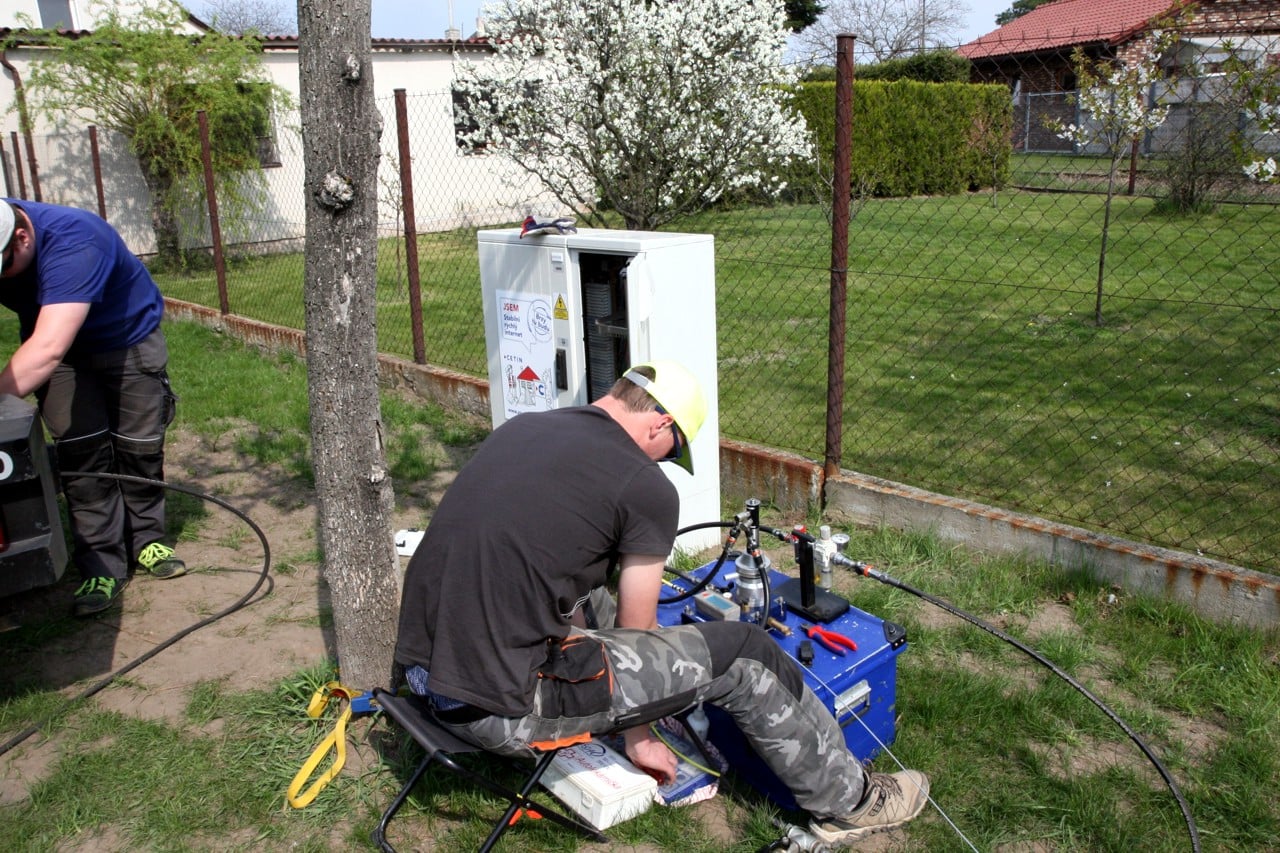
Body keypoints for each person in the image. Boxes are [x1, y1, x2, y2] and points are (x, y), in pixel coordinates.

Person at [394, 360, 930, 846]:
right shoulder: (643, 486)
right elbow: (637, 630)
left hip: (422, 681)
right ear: (659, 425)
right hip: (497, 713)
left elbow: (549, 572)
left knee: (597, 599)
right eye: (673, 451)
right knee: (745, 650)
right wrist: (639, 733)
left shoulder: (524, 429)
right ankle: (849, 802)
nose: (668, 464)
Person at [0, 198, 183, 617]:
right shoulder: (6, 243)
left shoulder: (75, 240)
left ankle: (149, 540)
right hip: (62, 354)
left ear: (22, 237)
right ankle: (101, 563)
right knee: (81, 457)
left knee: (139, 448)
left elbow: (46, 351)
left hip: (126, 342)